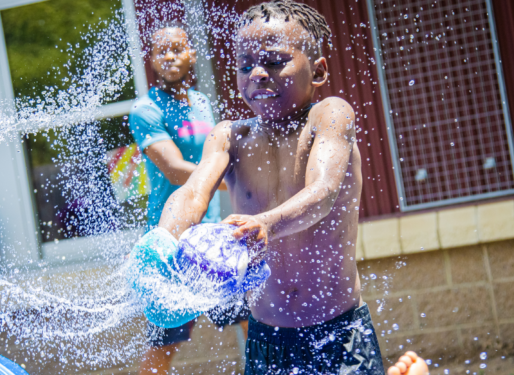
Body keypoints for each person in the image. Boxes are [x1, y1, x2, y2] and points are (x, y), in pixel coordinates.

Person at [149, 0, 383, 373]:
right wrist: (161, 240)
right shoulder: (230, 136)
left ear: (319, 71)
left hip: (339, 333)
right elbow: (192, 192)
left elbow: (321, 193)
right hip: (267, 339)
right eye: (245, 65)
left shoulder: (329, 115)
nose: (257, 73)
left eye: (274, 62)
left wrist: (266, 224)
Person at [128, 25, 248, 375]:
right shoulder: (146, 110)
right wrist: (237, 184)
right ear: (151, 60)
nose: (169, 56)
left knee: (250, 323)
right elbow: (176, 170)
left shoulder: (201, 102)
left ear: (191, 54)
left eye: (177, 49)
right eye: (161, 51)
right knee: (165, 345)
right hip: (171, 243)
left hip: (211, 241)